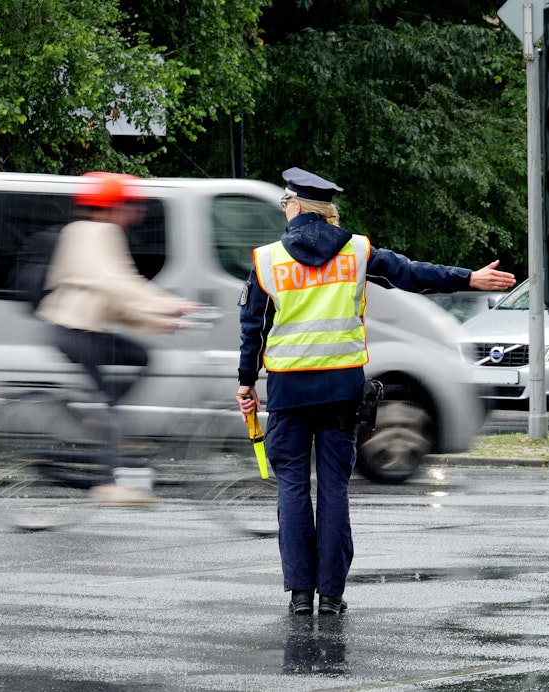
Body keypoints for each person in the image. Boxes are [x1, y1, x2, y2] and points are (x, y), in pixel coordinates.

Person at [236, 167, 516, 615]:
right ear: (327, 211)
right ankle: (331, 596)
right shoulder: (358, 251)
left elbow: (253, 327)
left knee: (291, 488)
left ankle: (300, 597)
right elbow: (410, 273)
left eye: (284, 204)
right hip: (342, 390)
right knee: (333, 490)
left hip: (289, 392)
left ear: (295, 206)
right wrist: (468, 278)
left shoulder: (268, 259)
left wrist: (245, 382)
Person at [37, 171, 196, 506]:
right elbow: (118, 283)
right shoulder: (102, 233)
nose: (134, 212)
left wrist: (157, 322)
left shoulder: (78, 230)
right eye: (129, 205)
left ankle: (103, 415)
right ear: (114, 206)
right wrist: (169, 305)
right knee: (110, 405)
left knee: (139, 359)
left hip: (69, 327)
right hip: (74, 331)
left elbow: (110, 301)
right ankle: (107, 483)